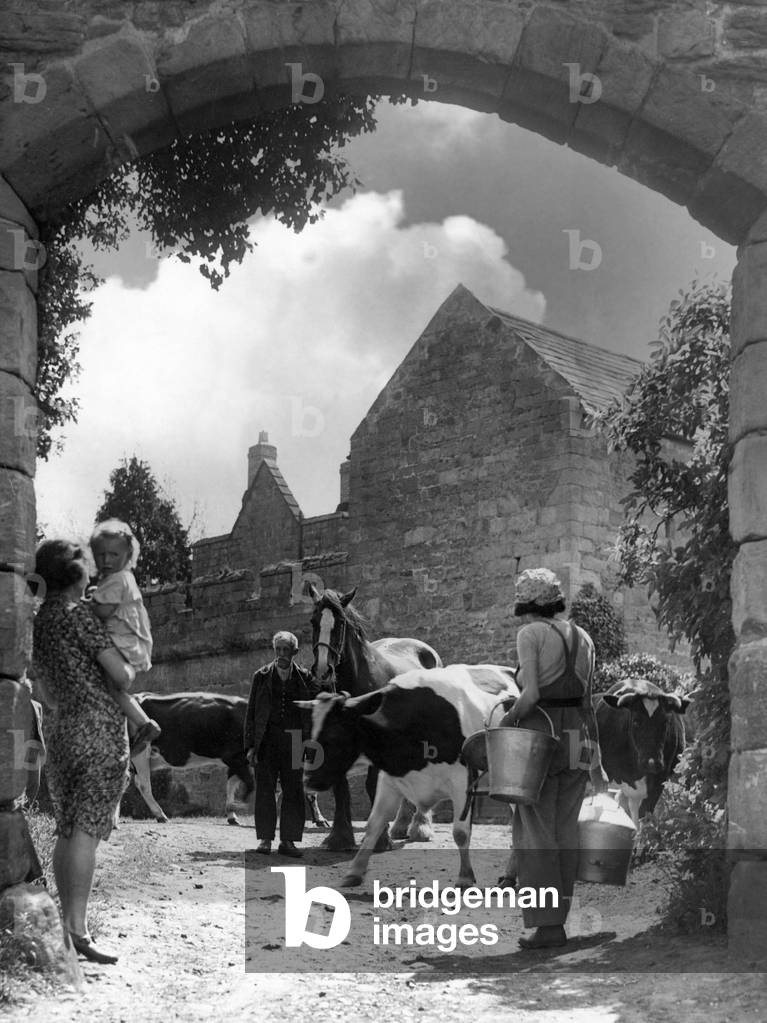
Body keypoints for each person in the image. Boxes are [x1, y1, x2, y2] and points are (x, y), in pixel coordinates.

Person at [32, 539, 138, 964]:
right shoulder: (82, 618)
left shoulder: (40, 621)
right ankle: (78, 930)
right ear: (74, 573)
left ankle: (67, 924)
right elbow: (122, 676)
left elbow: (44, 686)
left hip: (60, 733)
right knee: (87, 833)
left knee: (67, 828)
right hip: (97, 730)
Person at [502, 567, 608, 950]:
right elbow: (587, 703)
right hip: (577, 737)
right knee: (565, 831)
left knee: (535, 832)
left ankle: (547, 927)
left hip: (539, 736)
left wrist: (507, 718)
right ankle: (558, 922)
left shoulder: (529, 634)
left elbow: (529, 695)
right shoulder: (585, 638)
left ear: (527, 605)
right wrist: (597, 761)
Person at [86, 519, 160, 754]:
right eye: (101, 555)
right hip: (127, 642)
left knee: (112, 688)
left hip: (121, 643)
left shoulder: (118, 580)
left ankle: (143, 724)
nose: (106, 561)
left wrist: (80, 604)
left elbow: (102, 611)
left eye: (114, 555)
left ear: (128, 555)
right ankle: (138, 726)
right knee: (115, 690)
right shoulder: (122, 578)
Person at [244, 631, 317, 858]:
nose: (282, 654)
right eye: (278, 650)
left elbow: (312, 714)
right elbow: (251, 713)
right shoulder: (261, 676)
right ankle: (266, 839)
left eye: (287, 650)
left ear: (295, 652)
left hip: (295, 741)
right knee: (265, 789)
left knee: (294, 791)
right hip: (266, 740)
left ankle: (288, 841)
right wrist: (250, 746)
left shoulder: (305, 678)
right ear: (274, 650)